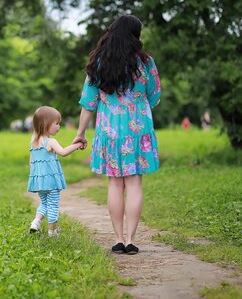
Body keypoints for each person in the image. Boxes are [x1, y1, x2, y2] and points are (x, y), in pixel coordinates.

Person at [72, 14, 161, 255]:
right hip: (138, 130)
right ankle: (132, 239)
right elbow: (154, 97)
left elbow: (88, 103)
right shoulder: (146, 63)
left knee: (114, 183)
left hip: (109, 131)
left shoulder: (99, 63)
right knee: (134, 183)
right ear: (136, 35)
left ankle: (119, 239)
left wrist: (80, 133)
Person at [27, 106, 84, 237]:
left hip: (39, 181)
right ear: (46, 124)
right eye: (57, 123)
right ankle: (52, 231)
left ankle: (36, 222)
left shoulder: (33, 143)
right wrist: (77, 145)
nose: (59, 126)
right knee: (53, 204)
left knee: (44, 203)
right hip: (51, 181)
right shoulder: (50, 141)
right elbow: (63, 152)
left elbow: (31, 163)